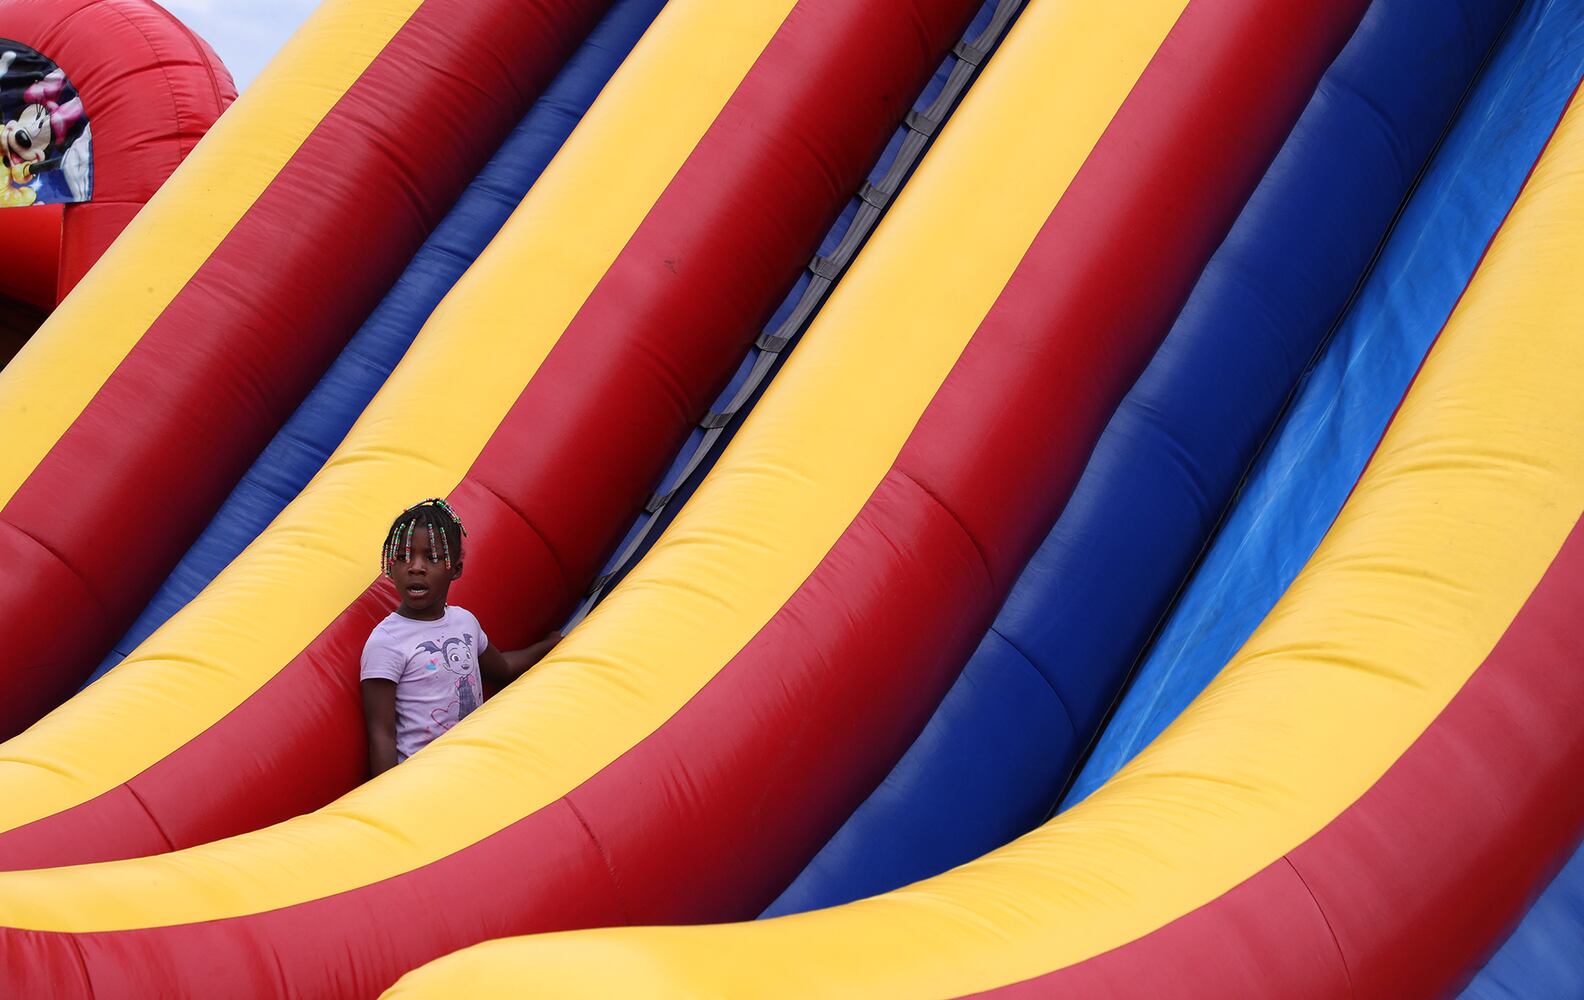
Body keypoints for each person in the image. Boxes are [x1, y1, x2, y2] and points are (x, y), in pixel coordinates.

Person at [360, 498, 559, 776]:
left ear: (455, 569)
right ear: (391, 567)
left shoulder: (464, 622)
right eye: (404, 557)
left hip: (471, 764)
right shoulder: (386, 641)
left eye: (432, 557)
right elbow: (381, 734)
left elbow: (502, 666)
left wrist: (549, 646)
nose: (416, 567)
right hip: (423, 777)